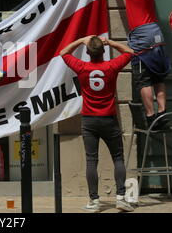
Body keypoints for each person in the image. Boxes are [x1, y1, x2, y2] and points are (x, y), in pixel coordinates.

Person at [100, 0, 171, 129]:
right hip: (156, 33)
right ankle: (162, 113)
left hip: (142, 35)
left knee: (143, 79)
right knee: (158, 76)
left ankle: (150, 117)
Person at [60, 35, 134, 212]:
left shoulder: (82, 67)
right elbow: (130, 51)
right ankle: (121, 198)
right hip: (109, 119)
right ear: (103, 52)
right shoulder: (111, 66)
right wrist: (111, 42)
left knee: (91, 160)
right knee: (118, 158)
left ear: (87, 52)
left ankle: (94, 201)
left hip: (89, 120)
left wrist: (80, 40)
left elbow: (63, 52)